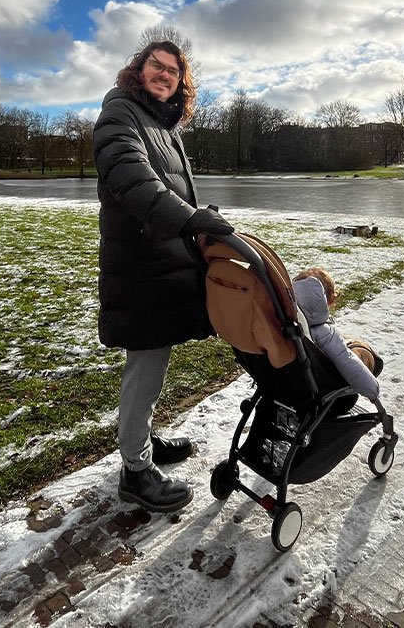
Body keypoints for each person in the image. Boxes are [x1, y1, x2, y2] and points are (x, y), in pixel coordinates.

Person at [93, 40, 234, 513]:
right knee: (147, 362)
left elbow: (169, 186)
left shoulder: (161, 123)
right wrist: (190, 221)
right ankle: (135, 470)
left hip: (161, 262)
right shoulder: (120, 114)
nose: (164, 74)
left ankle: (143, 438)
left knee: (154, 358)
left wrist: (195, 212)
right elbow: (134, 180)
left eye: (173, 70)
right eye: (156, 65)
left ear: (180, 81)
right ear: (139, 69)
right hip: (139, 264)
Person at [292, 267, 380, 402]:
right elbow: (348, 362)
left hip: (287, 393)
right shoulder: (325, 334)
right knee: (358, 357)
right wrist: (373, 390)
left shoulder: (286, 329)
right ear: (325, 301)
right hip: (326, 400)